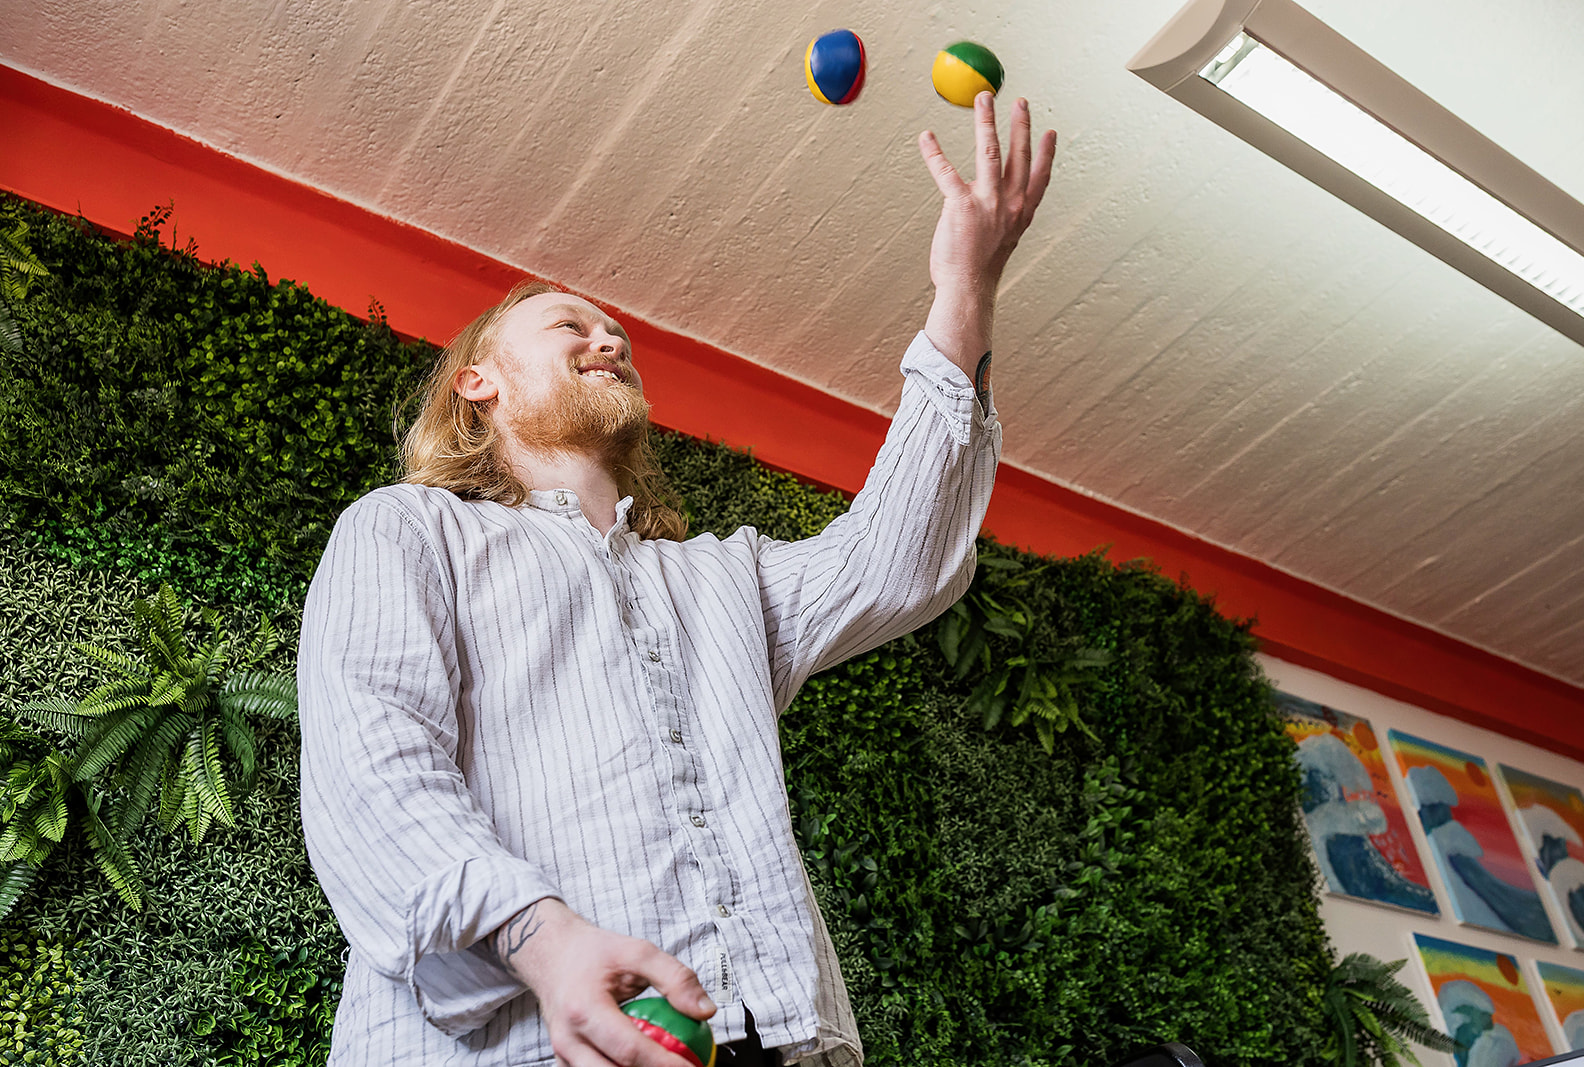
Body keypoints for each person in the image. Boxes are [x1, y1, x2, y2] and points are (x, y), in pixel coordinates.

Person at [299, 92, 1055, 1067]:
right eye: (569, 324)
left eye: (615, 332)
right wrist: (546, 938)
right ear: (476, 382)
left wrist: (963, 289)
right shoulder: (407, 528)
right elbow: (372, 767)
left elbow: (899, 558)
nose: (608, 339)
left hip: (773, 1040)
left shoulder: (727, 581)